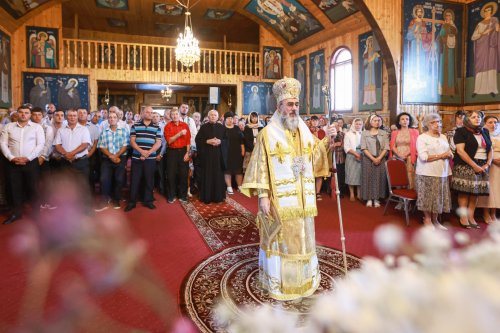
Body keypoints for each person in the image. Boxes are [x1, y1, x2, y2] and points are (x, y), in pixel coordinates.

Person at [241, 77, 335, 301]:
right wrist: (263, 196)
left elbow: (316, 155)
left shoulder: (303, 132)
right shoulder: (267, 134)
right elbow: (261, 166)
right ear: (279, 107)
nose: (294, 109)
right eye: (289, 104)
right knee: (282, 241)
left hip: (302, 200)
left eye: (296, 104)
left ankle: (303, 281)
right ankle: (281, 282)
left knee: (303, 238)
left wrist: (328, 142)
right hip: (279, 200)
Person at [0, 105, 45, 224]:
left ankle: (36, 214)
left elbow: (40, 144)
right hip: (12, 163)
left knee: (33, 188)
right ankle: (16, 213)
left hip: (31, 162)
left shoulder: (37, 127)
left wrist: (28, 158)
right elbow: (3, 143)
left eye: (26, 113)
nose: (23, 115)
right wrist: (11, 157)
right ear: (17, 114)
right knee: (14, 189)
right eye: (21, 112)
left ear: (30, 115)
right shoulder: (8, 126)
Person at [451, 110, 493, 228]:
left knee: (475, 193)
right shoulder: (461, 131)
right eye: (473, 117)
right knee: (464, 192)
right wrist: (475, 166)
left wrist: (488, 163)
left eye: (479, 116)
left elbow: (490, 149)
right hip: (465, 165)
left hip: (482, 165)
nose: (477, 118)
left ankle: (471, 216)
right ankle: (463, 217)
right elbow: (460, 151)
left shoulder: (484, 130)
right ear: (467, 120)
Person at [415, 114, 453, 229]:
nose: (438, 124)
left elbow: (449, 152)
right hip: (426, 171)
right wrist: (442, 155)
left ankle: (435, 220)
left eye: (439, 121)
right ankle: (427, 219)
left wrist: (449, 154)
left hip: (442, 172)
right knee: (427, 197)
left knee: (438, 197)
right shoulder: (422, 137)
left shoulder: (443, 137)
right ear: (427, 124)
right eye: (434, 122)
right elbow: (424, 157)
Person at [125, 106, 162, 212]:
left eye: (151, 112)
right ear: (142, 113)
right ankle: (132, 202)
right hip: (137, 157)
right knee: (135, 180)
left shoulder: (157, 127)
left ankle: (148, 201)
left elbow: (158, 143)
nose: (150, 114)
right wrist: (142, 152)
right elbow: (132, 141)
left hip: (150, 158)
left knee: (149, 180)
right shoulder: (135, 125)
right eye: (147, 112)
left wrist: (148, 153)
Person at [95, 110, 129, 211]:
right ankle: (105, 199)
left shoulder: (123, 131)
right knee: (104, 179)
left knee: (118, 179)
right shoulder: (104, 132)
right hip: (107, 158)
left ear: (118, 119)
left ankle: (116, 199)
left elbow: (125, 145)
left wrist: (117, 155)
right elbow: (101, 146)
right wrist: (111, 156)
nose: (112, 119)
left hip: (120, 157)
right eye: (110, 117)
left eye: (114, 117)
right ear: (107, 120)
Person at [195, 110, 226, 204]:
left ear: (217, 117)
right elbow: (198, 140)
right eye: (211, 115)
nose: (213, 116)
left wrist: (220, 142)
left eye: (215, 115)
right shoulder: (203, 127)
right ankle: (206, 197)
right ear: (208, 117)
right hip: (206, 156)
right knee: (207, 175)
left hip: (218, 156)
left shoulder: (222, 127)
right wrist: (207, 141)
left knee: (218, 175)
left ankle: (218, 197)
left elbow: (226, 140)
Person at [471, 3, 500, 97]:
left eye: (489, 10)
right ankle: (477, 90)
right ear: (483, 12)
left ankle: (492, 89)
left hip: (491, 47)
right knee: (480, 67)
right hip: (481, 48)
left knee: (491, 65)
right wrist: (483, 33)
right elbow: (473, 37)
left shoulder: (494, 20)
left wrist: (496, 30)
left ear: (492, 11)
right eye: (486, 11)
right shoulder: (480, 24)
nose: (487, 12)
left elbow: (497, 30)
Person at [360, 114, 389, 207]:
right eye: (375, 120)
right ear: (370, 121)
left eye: (379, 120)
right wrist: (373, 158)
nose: (377, 122)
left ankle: (376, 198)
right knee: (368, 178)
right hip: (368, 159)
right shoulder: (364, 133)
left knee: (379, 178)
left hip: (380, 158)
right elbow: (363, 147)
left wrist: (379, 158)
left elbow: (386, 147)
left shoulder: (384, 133)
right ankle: (368, 198)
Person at [54, 109, 91, 178]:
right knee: (66, 186)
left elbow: (84, 145)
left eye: (74, 115)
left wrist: (71, 154)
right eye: (70, 116)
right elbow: (57, 145)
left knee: (82, 186)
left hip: (81, 162)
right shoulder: (61, 130)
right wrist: (66, 154)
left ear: (77, 117)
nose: (72, 118)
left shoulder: (84, 129)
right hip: (65, 162)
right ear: (66, 117)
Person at [164, 108, 191, 203]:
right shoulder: (167, 126)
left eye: (176, 114)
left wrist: (188, 153)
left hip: (183, 151)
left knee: (183, 174)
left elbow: (188, 141)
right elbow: (169, 141)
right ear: (170, 116)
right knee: (171, 174)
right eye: (173, 114)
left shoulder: (185, 125)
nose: (175, 116)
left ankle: (183, 195)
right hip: (172, 152)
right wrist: (179, 134)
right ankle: (171, 195)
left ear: (179, 115)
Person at [477, 115, 499, 223]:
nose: (493, 125)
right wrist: (492, 160)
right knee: (488, 188)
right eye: (490, 122)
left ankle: (493, 213)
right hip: (488, 164)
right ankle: (485, 213)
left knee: (496, 189)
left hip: (498, 167)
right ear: (485, 123)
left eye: (495, 122)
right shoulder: (482, 134)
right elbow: (482, 150)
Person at [389, 112, 419, 190]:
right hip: (397, 155)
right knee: (399, 175)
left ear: (409, 121)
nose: (405, 121)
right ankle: (400, 198)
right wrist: (399, 155)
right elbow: (392, 145)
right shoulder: (394, 132)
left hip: (410, 155)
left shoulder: (415, 132)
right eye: (402, 119)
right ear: (399, 122)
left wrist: (406, 155)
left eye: (407, 119)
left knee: (409, 174)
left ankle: (409, 197)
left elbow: (416, 145)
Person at [222, 111, 244, 194]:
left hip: (237, 152)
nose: (230, 120)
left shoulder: (237, 128)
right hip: (226, 153)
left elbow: (241, 141)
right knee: (227, 170)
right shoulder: (222, 129)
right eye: (228, 118)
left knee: (238, 170)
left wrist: (242, 150)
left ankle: (239, 186)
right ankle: (229, 187)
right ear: (225, 120)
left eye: (231, 118)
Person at [437, 9, 458, 97]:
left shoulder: (454, 27)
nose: (448, 17)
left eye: (449, 15)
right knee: (443, 70)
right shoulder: (444, 26)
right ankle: (442, 91)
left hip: (451, 50)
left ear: (452, 17)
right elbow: (440, 37)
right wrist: (442, 40)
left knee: (450, 70)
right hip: (444, 50)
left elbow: (456, 36)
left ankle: (451, 91)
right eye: (446, 16)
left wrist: (450, 37)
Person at [344, 118, 363, 201]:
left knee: (359, 175)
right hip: (351, 155)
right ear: (353, 124)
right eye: (356, 124)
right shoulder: (348, 134)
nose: (358, 125)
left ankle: (359, 193)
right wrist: (355, 154)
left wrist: (360, 154)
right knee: (351, 175)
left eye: (360, 124)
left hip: (362, 155)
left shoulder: (363, 133)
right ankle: (351, 193)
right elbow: (346, 147)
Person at [362, 36, 380, 105]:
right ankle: (365, 100)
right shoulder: (366, 52)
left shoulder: (374, 51)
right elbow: (364, 62)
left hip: (372, 70)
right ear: (367, 43)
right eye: (369, 42)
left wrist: (377, 57)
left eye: (371, 42)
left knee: (372, 84)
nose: (370, 43)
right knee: (367, 85)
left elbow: (376, 61)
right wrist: (369, 59)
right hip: (367, 71)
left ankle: (373, 100)